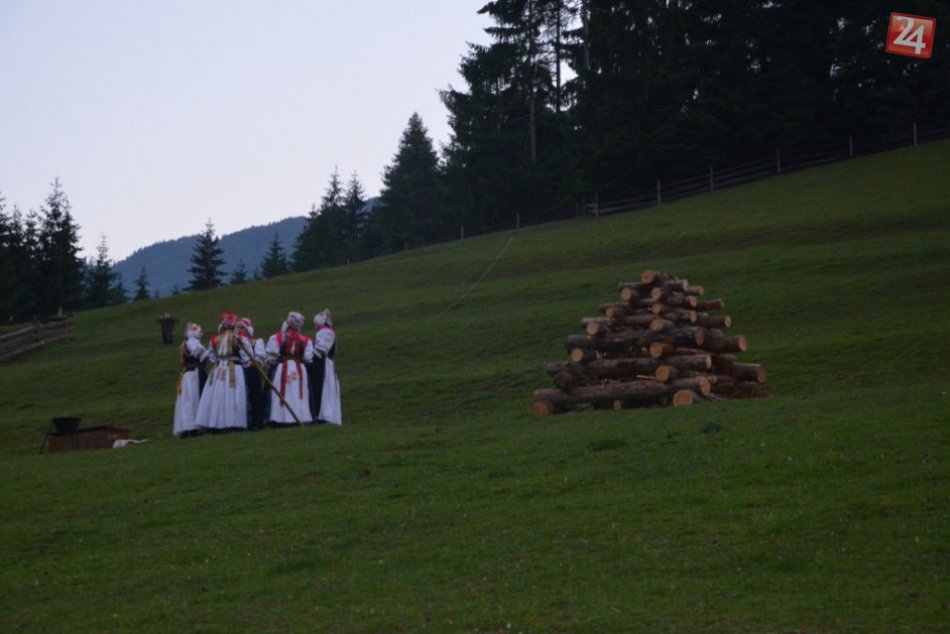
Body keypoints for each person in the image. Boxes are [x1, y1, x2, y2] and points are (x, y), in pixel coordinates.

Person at [195, 312, 247, 433]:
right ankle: (234, 422)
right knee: (234, 394)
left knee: (217, 395)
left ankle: (216, 423)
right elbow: (246, 356)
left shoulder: (215, 339)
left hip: (218, 369)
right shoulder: (239, 339)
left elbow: (212, 357)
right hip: (234, 368)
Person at [265, 311, 314, 427]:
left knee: (282, 392)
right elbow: (308, 358)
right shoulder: (306, 340)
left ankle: (280, 418)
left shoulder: (277, 337)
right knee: (298, 393)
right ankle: (300, 417)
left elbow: (271, 358)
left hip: (282, 368)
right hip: (299, 368)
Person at [172, 322, 209, 438]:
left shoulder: (186, 343)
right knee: (193, 399)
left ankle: (186, 427)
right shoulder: (193, 343)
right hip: (194, 374)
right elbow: (200, 355)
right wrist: (210, 352)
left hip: (187, 374)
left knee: (186, 401)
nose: (202, 334)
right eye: (200, 331)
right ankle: (193, 427)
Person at [310, 309, 342, 425]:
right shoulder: (327, 331)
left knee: (324, 387)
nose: (314, 326)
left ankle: (324, 415)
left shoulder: (325, 332)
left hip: (324, 365)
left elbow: (321, 350)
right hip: (325, 363)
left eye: (315, 323)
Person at [236, 316, 267, 430]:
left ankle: (257, 421)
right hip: (239, 371)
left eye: (242, 328)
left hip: (253, 371)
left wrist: (255, 362)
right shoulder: (236, 340)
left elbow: (261, 356)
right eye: (238, 327)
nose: (240, 330)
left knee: (255, 395)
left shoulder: (257, 341)